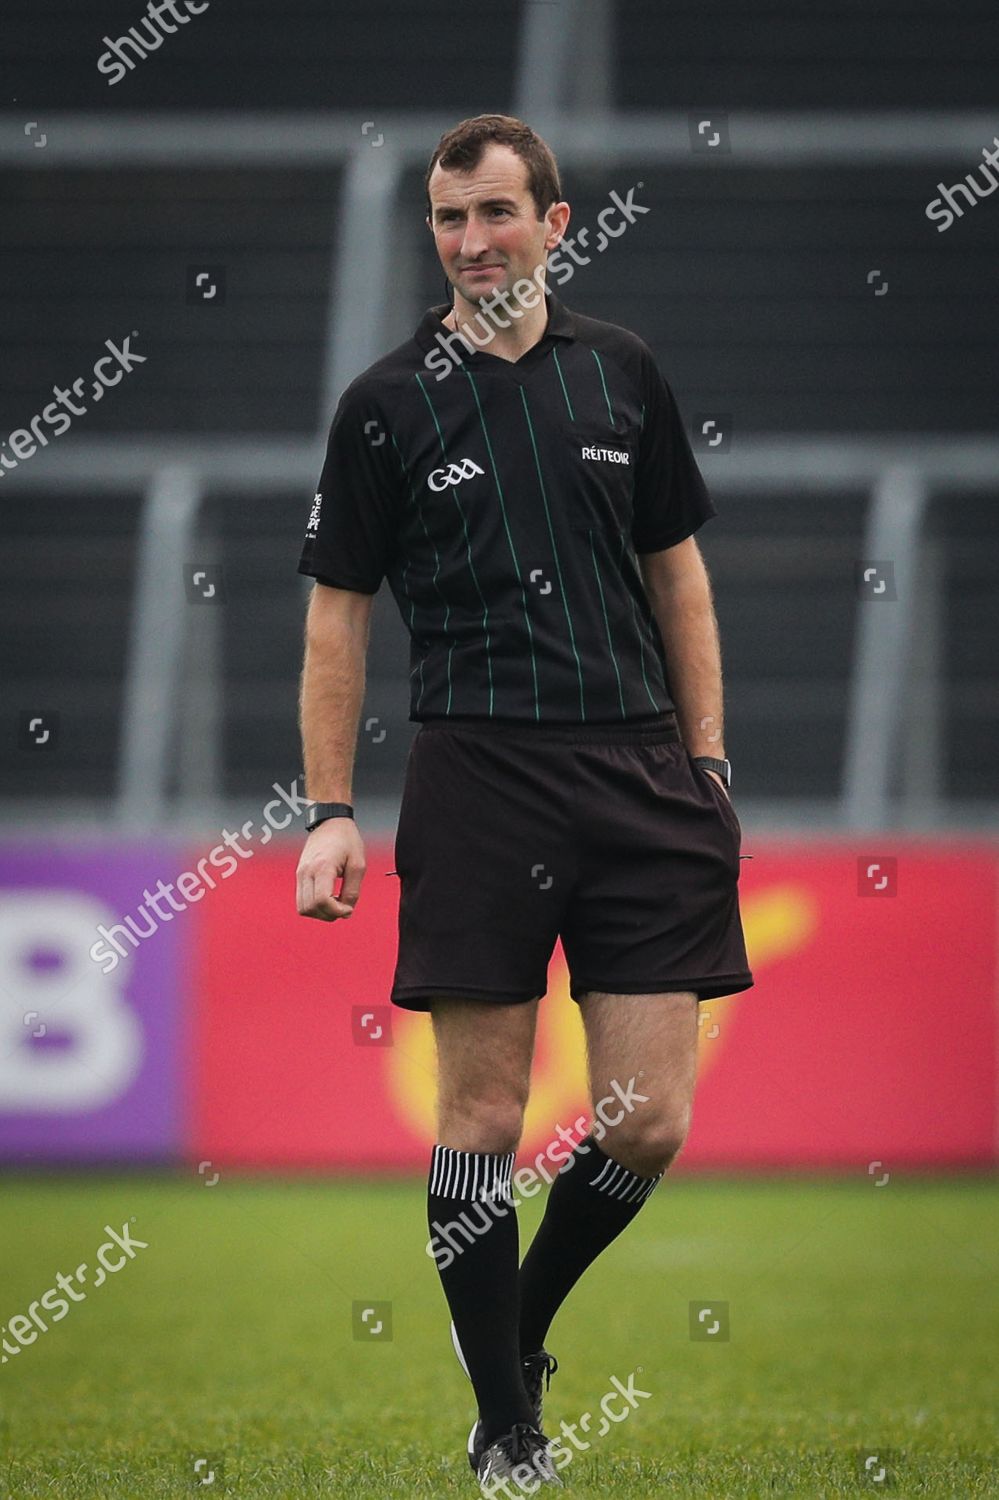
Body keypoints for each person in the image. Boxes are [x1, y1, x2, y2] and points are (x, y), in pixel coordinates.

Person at [295, 112, 753, 1495]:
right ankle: (506, 1425)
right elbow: (336, 623)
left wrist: (711, 762)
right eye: (449, 219)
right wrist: (328, 807)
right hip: (479, 774)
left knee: (647, 1121)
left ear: (557, 224)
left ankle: (519, 1326)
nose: (472, 241)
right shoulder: (385, 403)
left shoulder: (621, 374)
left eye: (497, 213)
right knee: (483, 1118)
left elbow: (680, 577)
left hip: (637, 771)